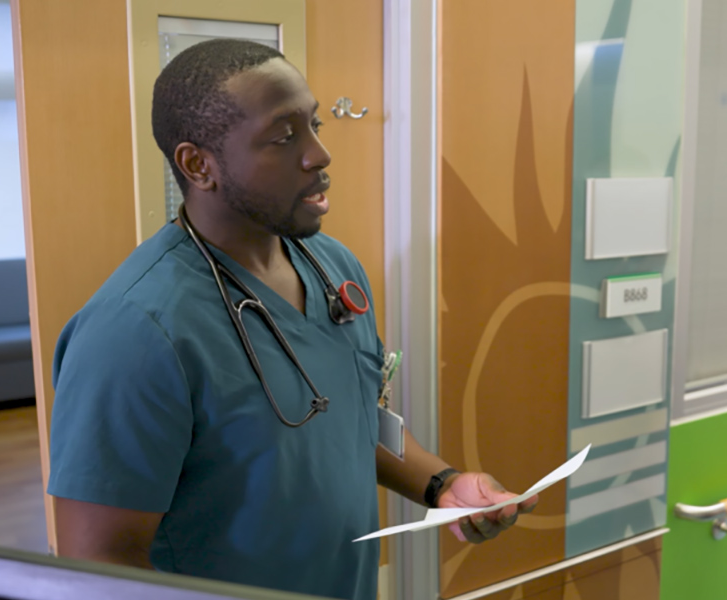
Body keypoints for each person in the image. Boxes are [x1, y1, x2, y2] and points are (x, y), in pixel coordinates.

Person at [46, 39, 535, 600]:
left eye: (316, 124)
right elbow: (98, 567)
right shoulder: (134, 332)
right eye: (284, 136)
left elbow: (351, 418)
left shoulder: (333, 268)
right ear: (198, 164)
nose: (319, 154)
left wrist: (442, 484)